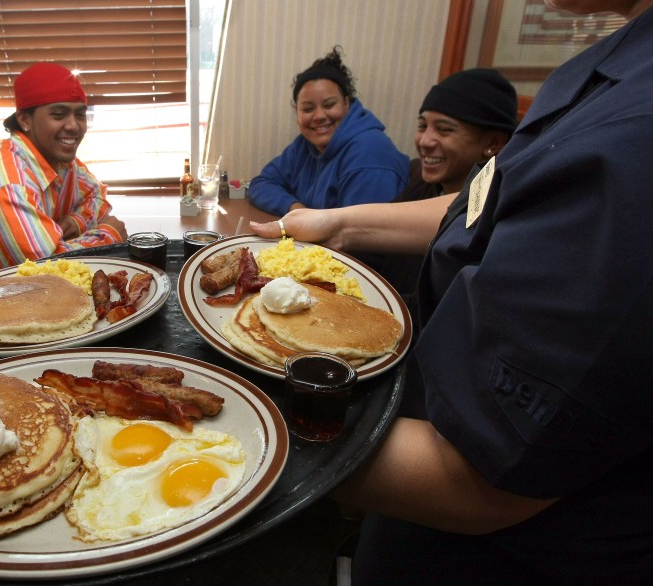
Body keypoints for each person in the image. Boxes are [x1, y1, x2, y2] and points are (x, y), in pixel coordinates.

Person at [251, 0, 653, 582]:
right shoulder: (613, 62)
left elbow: (479, 480)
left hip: (515, 550)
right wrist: (337, 222)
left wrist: (238, 412)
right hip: (421, 469)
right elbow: (493, 202)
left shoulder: (637, 141)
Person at [0, 62, 127, 278]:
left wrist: (75, 222)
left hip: (24, 293)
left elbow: (97, 196)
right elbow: (46, 269)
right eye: (58, 115)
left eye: (80, 115)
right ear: (25, 120)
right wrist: (110, 235)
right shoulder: (8, 184)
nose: (74, 126)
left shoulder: (58, 160)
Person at [369, 67, 517, 304]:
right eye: (422, 126)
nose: (425, 141)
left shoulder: (492, 221)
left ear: (493, 142)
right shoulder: (421, 184)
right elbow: (375, 246)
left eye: (444, 130)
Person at [247, 46, 409, 216]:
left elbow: (360, 234)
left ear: (347, 103)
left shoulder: (370, 152)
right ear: (297, 112)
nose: (318, 116)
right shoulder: (304, 145)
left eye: (329, 105)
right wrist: (297, 210)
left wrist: (310, 221)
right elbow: (261, 184)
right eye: (308, 109)